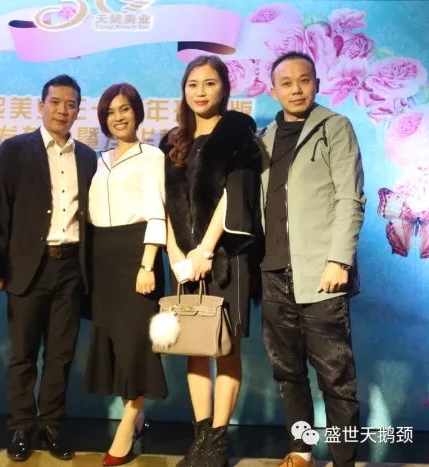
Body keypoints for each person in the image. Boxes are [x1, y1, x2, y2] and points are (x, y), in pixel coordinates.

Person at [259, 51, 365, 467]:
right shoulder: (264, 138)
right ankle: (301, 451)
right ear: (273, 91)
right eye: (286, 83)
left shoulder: (335, 127)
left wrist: (339, 260)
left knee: (337, 378)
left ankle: (344, 460)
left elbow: (350, 198)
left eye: (304, 80)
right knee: (287, 373)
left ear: (317, 84)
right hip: (273, 273)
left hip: (321, 273)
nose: (296, 89)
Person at [159, 55, 263, 467]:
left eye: (209, 83)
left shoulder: (236, 132)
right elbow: (166, 203)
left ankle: (218, 443)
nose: (200, 92)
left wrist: (204, 250)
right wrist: (175, 254)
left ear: (224, 88)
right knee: (194, 346)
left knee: (225, 346)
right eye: (193, 84)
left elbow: (234, 195)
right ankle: (200, 440)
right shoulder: (172, 140)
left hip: (224, 257)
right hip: (183, 261)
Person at [0, 74, 98, 462]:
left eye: (70, 104)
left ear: (78, 110)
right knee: (22, 354)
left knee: (60, 355)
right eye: (55, 102)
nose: (62, 110)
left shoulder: (88, 157)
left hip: (71, 269)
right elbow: (1, 210)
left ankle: (51, 426)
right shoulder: (16, 149)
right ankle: (21, 428)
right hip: (26, 269)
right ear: (41, 105)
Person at [84, 82, 167, 466]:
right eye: (111, 111)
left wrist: (147, 264)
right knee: (117, 345)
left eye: (125, 109)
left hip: (137, 256)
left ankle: (127, 423)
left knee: (137, 345)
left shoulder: (152, 156)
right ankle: (137, 416)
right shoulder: (97, 160)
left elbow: (157, 212)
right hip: (102, 259)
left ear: (137, 112)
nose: (118, 117)